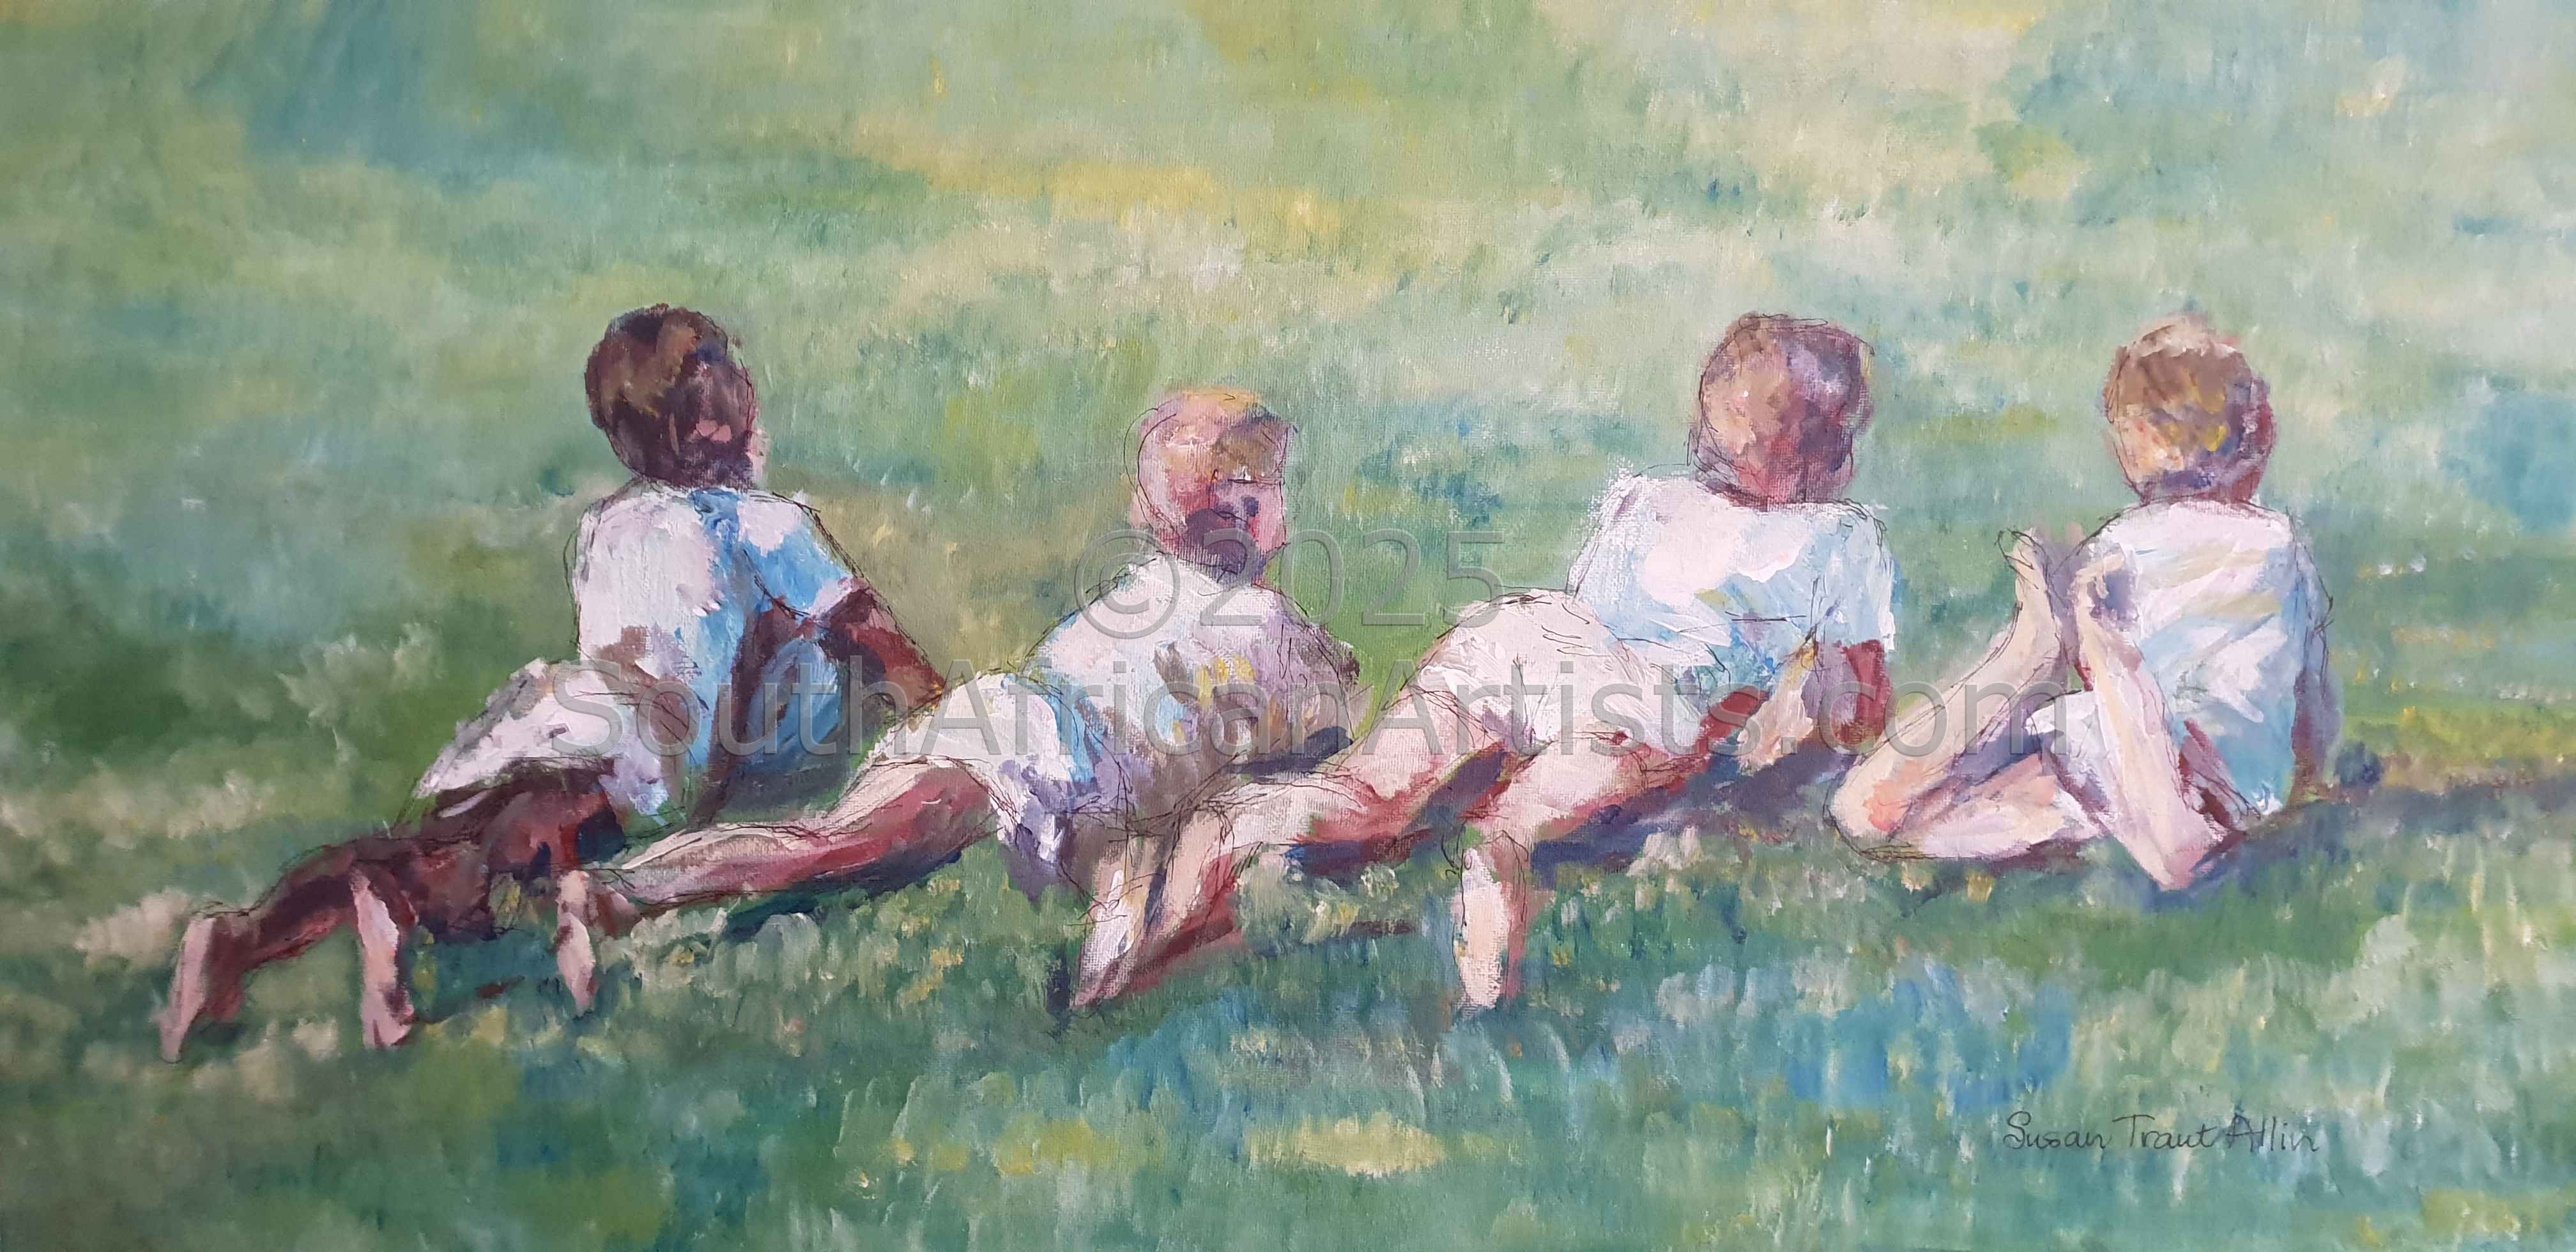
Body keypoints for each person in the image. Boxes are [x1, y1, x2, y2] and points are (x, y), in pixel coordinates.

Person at [158, 305, 939, 1059]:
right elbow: (871, 634)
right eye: (737, 375)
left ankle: (246, 936)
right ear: (719, 417)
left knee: (443, 845)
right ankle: (408, 915)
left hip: (560, 705)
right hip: (653, 744)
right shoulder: (768, 525)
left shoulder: (609, 523)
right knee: (508, 867)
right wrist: (941, 714)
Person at [1078, 314, 1897, 1010]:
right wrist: (1786, 726)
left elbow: (1591, 611)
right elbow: (1856, 709)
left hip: (1527, 632)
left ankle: (1195, 851)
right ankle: (1486, 1005)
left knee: (1364, 793)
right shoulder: (1841, 537)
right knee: (1514, 825)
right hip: (1643, 702)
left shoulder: (1644, 499)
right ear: (1824, 455)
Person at [558, 388, 1360, 973]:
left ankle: (630, 890)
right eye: (1271, 490)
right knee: (833, 848)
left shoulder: (1150, 585)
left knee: (833, 844)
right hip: (1041, 758)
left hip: (1016, 723)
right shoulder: (1267, 626)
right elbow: (1322, 740)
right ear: (1248, 514)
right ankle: (622, 892)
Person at [1830, 314, 2337, 890]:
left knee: (1874, 811)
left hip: (2122, 756)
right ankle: (2041, 668)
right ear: (2258, 441)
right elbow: (2315, 697)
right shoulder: (2281, 544)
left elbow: (2081, 683)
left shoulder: (2117, 551)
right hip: (2233, 785)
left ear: (2128, 453)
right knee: (1960, 809)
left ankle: (2031, 646)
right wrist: (2311, 777)